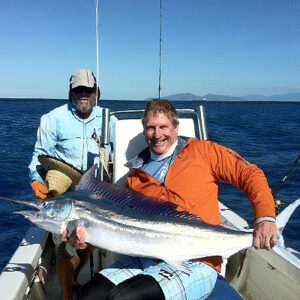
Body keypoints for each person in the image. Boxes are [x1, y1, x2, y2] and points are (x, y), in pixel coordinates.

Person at [68, 99, 277, 300]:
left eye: (163, 127)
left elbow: (250, 174)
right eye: (151, 128)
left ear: (175, 128)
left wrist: (265, 217)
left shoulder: (204, 152)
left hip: (199, 260)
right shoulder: (134, 178)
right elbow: (118, 229)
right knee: (85, 296)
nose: (157, 134)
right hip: (147, 257)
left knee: (125, 297)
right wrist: (85, 242)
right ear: (144, 131)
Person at [28, 69, 116, 300]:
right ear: (71, 92)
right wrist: (36, 181)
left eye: (89, 90)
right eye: (79, 90)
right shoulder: (52, 119)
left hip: (95, 189)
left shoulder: (109, 119)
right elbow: (40, 155)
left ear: (97, 92)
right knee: (63, 243)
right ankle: (68, 294)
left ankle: (77, 272)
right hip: (67, 193)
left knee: (90, 238)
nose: (84, 94)